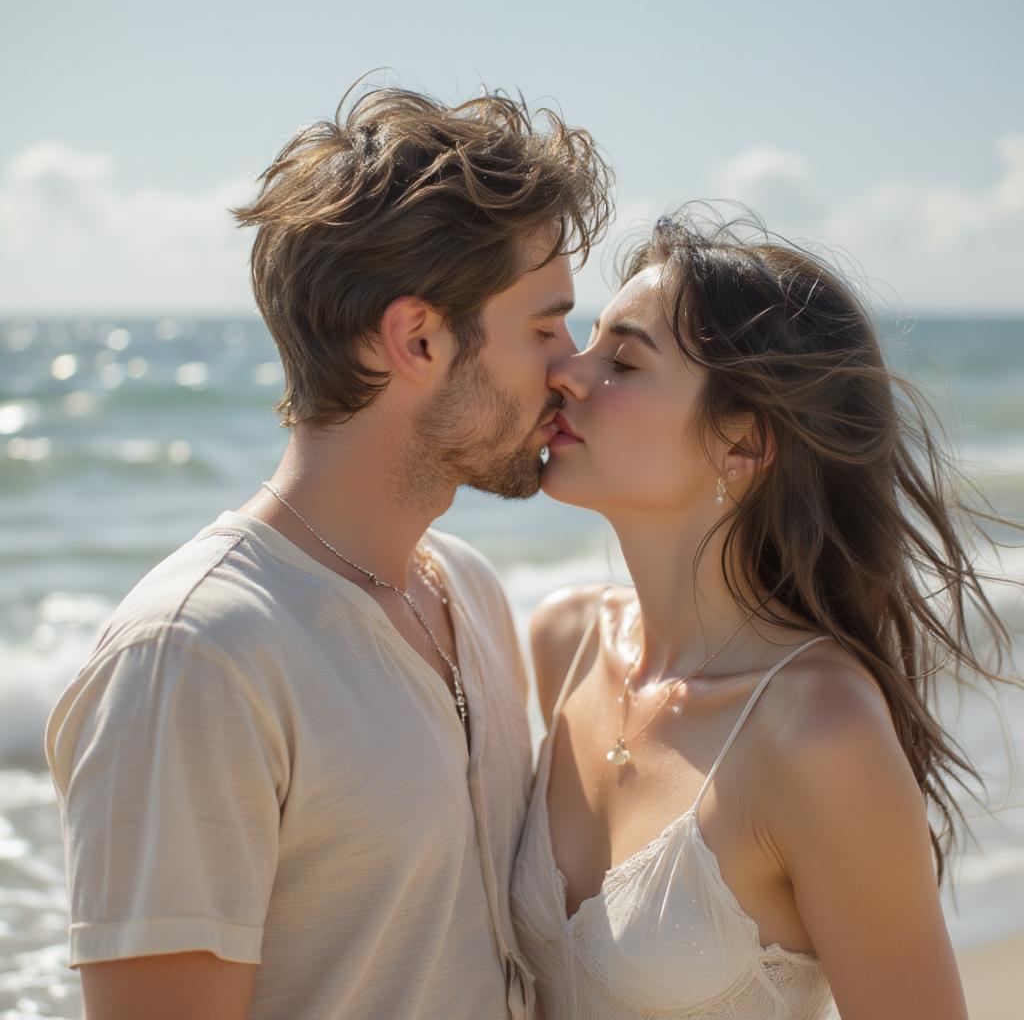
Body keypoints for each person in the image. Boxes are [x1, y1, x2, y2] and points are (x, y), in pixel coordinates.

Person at [44, 84, 612, 1020]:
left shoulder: (466, 587)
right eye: (545, 327)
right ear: (417, 338)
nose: (573, 366)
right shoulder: (193, 659)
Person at [511, 207, 1015, 1019]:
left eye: (624, 361)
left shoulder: (818, 728)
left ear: (741, 441)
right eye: (587, 339)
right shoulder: (563, 641)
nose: (568, 370)